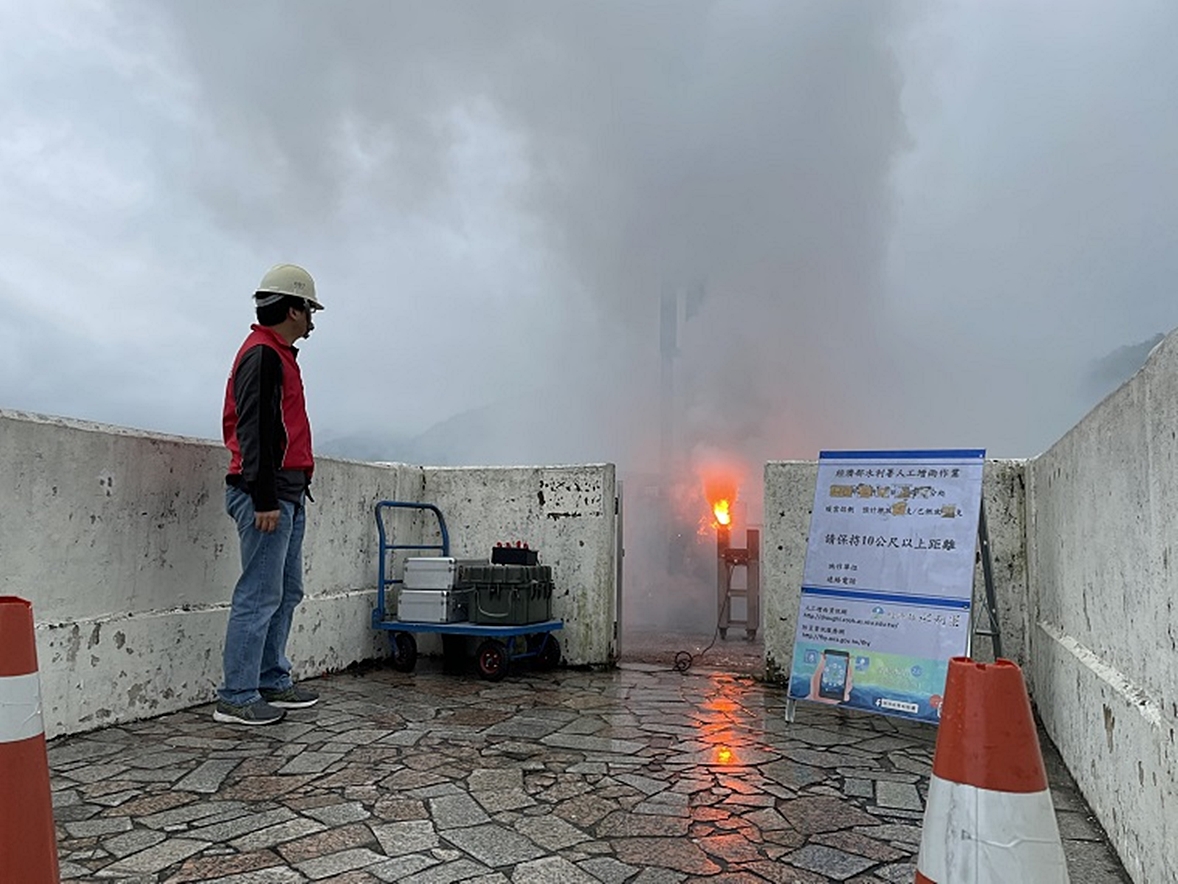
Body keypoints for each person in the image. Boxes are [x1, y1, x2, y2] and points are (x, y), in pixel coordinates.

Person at [214, 264, 324, 725]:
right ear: (293, 309)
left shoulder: (277, 353)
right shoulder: (262, 355)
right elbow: (255, 429)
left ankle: (271, 678)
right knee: (259, 595)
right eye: (310, 309)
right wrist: (263, 498)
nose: (313, 318)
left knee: (285, 590)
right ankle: (237, 695)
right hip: (268, 495)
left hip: (288, 493)